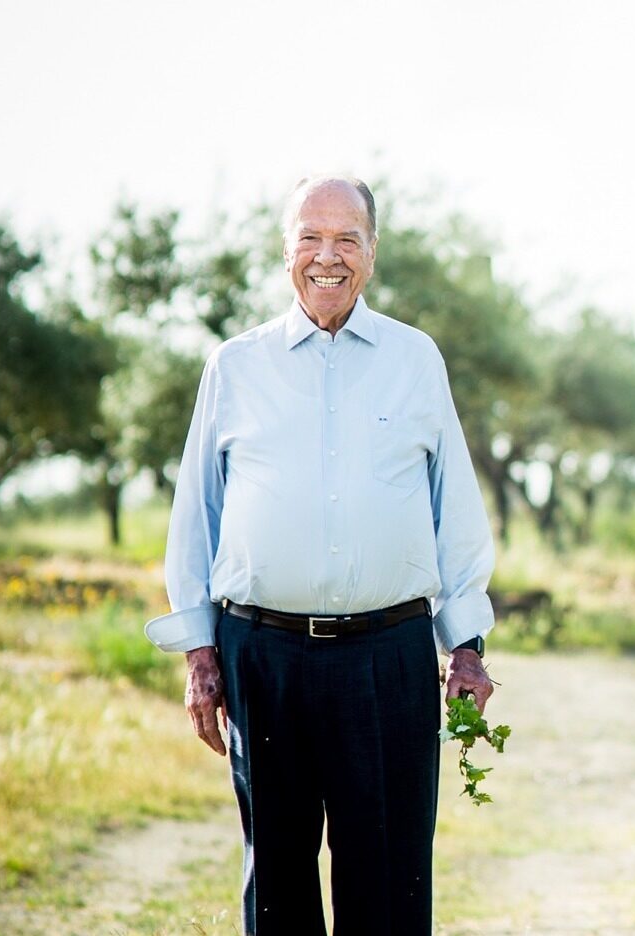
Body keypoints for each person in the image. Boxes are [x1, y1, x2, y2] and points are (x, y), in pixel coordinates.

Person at [145, 175, 497, 935]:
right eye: (310, 236)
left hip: (391, 657)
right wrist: (200, 657)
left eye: (346, 239)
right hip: (262, 655)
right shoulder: (234, 366)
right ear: (285, 250)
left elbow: (455, 511)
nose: (326, 256)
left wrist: (465, 647)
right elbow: (196, 517)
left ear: (372, 253)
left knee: (391, 888)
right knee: (277, 885)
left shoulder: (415, 358)